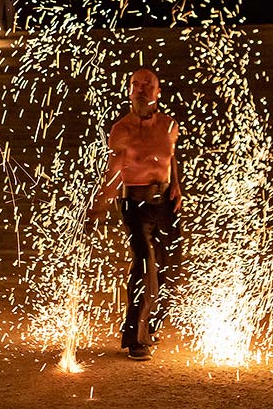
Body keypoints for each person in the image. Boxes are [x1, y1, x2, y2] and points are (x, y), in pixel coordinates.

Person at [89, 68, 183, 362]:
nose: (141, 89)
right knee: (145, 263)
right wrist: (102, 201)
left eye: (148, 85)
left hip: (166, 204)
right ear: (129, 92)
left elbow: (171, 156)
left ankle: (151, 326)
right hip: (136, 205)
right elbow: (114, 169)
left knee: (169, 269)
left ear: (158, 92)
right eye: (135, 85)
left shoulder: (169, 125)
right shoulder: (122, 129)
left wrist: (176, 186)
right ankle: (135, 338)